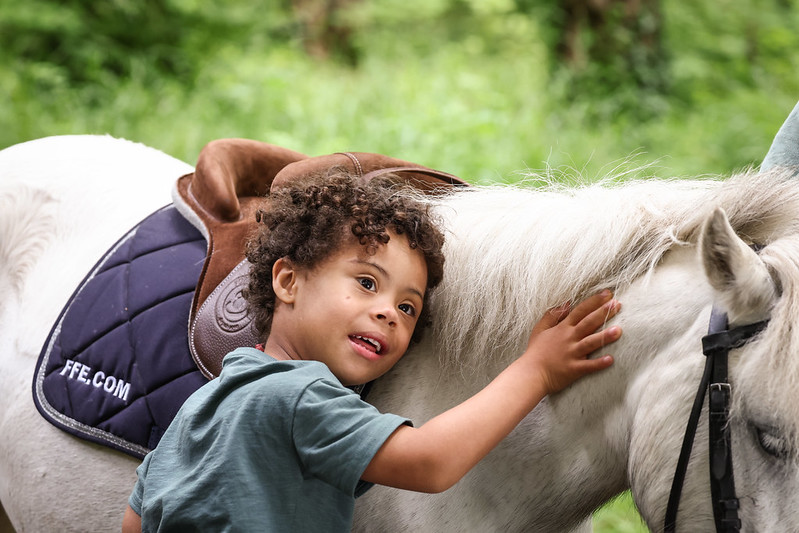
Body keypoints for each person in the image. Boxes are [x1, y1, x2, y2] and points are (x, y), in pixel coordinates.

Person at [122, 168, 621, 532]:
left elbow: (135, 517)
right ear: (288, 280)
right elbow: (428, 462)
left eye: (408, 307)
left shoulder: (211, 397)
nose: (388, 312)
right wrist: (535, 370)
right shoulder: (299, 395)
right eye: (366, 282)